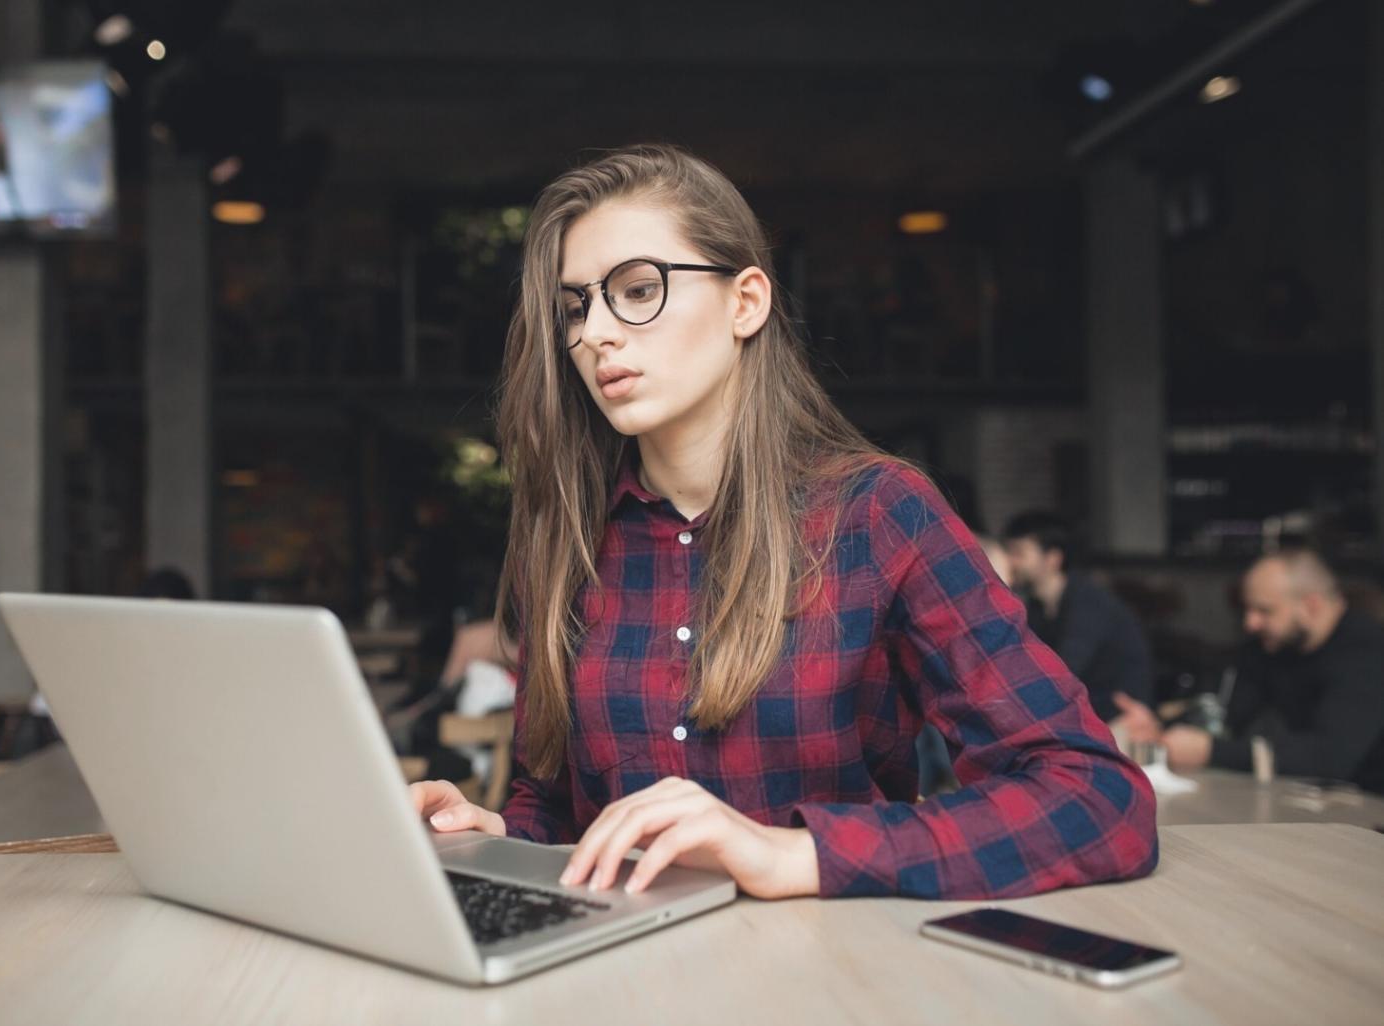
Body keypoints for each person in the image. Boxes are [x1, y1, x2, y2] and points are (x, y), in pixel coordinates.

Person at [410, 145, 1156, 900]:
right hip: (621, 970)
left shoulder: (876, 514)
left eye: (637, 289)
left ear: (746, 302)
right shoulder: (569, 534)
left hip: (829, 975)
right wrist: (498, 838)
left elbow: (1096, 799)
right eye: (577, 305)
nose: (596, 331)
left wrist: (787, 857)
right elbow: (558, 807)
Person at [1116, 548, 1384, 792]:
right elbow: (1226, 715)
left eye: (1264, 611)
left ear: (1311, 605)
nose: (1251, 622)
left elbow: (1330, 758)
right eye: (1248, 609)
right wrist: (1160, 728)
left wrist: (1211, 752)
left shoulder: (1367, 652)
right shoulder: (1274, 647)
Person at [1001, 511, 1154, 731]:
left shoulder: (1088, 602)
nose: (1010, 561)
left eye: (1018, 552)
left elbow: (1062, 673)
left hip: (1122, 717)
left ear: (1053, 558)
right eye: (1007, 551)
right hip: (1082, 714)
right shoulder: (1036, 605)